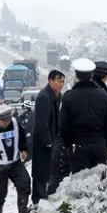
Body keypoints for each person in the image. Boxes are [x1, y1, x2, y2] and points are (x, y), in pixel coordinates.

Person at [60, 58, 107, 175]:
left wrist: (68, 144)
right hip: (100, 146)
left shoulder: (68, 97)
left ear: (76, 75)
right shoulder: (103, 96)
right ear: (91, 75)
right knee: (99, 185)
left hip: (78, 147)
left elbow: (64, 125)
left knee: (80, 185)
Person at [32, 70, 65, 205]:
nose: (61, 84)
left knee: (50, 173)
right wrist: (49, 142)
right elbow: (41, 124)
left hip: (54, 141)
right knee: (41, 174)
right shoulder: (44, 97)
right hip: (44, 143)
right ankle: (38, 202)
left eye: (63, 81)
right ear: (50, 81)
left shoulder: (57, 96)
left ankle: (46, 198)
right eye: (59, 81)